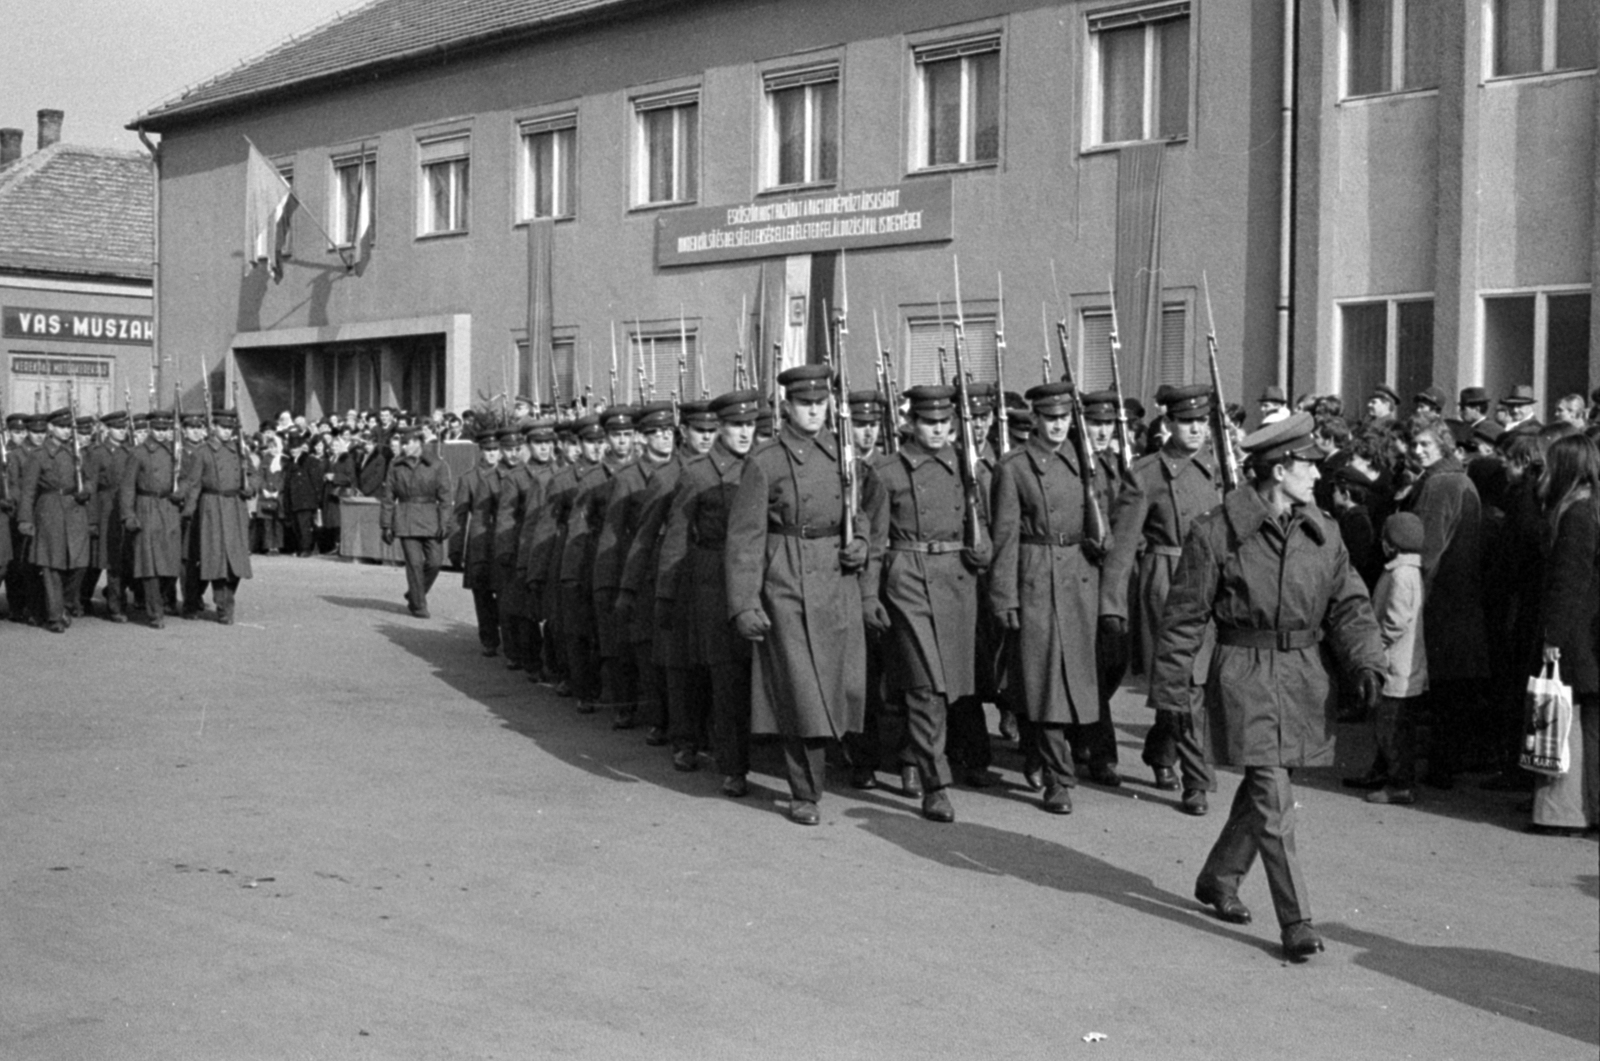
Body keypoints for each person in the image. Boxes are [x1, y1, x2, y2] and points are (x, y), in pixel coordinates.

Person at [1150, 411, 1385, 960]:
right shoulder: (1217, 533)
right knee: (1273, 794)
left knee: (1265, 790)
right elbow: (1183, 618)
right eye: (1308, 464)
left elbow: (1348, 603)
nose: (1316, 475)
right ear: (1279, 470)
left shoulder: (1322, 532)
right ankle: (1296, 920)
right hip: (1243, 674)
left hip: (1304, 676)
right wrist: (1169, 693)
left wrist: (1366, 662)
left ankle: (1218, 877)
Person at [724, 364, 869, 826]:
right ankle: (806, 790)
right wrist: (744, 603)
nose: (813, 411)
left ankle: (839, 763)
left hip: (836, 578)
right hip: (786, 577)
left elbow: (859, 512)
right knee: (801, 690)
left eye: (820, 403)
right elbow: (745, 538)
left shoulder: (843, 453)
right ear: (787, 406)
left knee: (844, 685)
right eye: (804, 404)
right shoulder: (766, 461)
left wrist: (861, 543)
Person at [870, 384, 991, 822]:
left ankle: (911, 756)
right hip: (908, 579)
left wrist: (983, 548)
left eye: (944, 423)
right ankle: (935, 784)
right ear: (911, 424)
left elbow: (984, 519)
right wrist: (869, 595)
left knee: (948, 688)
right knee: (925, 686)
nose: (938, 430)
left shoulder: (968, 466)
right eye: (928, 423)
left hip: (957, 580)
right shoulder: (888, 472)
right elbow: (875, 541)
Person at [1101, 383, 1220, 814]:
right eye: (1186, 422)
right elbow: (1123, 545)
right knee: (1182, 682)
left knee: (1198, 680)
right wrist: (1112, 604)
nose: (1195, 429)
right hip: (1165, 583)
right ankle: (1198, 782)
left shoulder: (1219, 467)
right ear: (1167, 424)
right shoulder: (1147, 473)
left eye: (1201, 422)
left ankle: (1161, 748)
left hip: (1211, 584)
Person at [988, 382, 1106, 815]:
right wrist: (1004, 597)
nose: (1058, 426)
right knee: (1044, 679)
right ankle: (1059, 778)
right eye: (1050, 418)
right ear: (1034, 419)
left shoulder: (1083, 461)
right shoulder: (1014, 467)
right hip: (1035, 574)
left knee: (1074, 677)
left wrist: (1100, 541)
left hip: (1078, 576)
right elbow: (1004, 537)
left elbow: (1100, 514)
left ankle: (1041, 752)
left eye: (1064, 418)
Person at [657, 389, 760, 795]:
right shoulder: (698, 473)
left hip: (754, 578)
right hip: (710, 582)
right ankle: (728, 764)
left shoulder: (761, 466)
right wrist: (666, 594)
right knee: (721, 674)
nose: (745, 432)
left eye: (750, 425)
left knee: (743, 673)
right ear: (719, 428)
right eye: (736, 425)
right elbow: (677, 540)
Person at [1402, 417, 1488, 786]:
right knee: (1452, 690)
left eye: (1425, 445)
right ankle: (1446, 763)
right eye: (1414, 444)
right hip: (1461, 599)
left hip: (1440, 599)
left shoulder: (1440, 483)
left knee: (1438, 687)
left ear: (1443, 446)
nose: (1417, 451)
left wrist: (1412, 597)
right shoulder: (1460, 480)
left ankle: (1439, 768)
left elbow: (1428, 546)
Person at [1528, 434, 1600, 835]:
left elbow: (1567, 582)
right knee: (1587, 727)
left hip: (1572, 635)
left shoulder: (1573, 513)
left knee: (1562, 725)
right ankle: (1587, 809)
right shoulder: (1593, 507)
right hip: (1589, 635)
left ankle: (1561, 812)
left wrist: (1552, 637)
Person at [1344, 512, 1428, 804]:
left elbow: (1396, 620)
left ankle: (1400, 784)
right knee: (1388, 725)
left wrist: (1374, 646)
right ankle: (1381, 771)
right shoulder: (1404, 571)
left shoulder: (1402, 575)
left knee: (1392, 730)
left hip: (1397, 666)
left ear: (1391, 544)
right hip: (1401, 665)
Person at [16, 408, 95, 632]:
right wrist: (25, 519)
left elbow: (91, 479)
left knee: (79, 565)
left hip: (75, 509)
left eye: (69, 427)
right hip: (50, 512)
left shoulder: (78, 452)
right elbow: (28, 491)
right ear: (51, 428)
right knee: (52, 567)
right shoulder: (39, 455)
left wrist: (86, 490)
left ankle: (65, 605)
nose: (66, 431)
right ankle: (54, 616)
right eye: (61, 426)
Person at [119, 409, 185, 628]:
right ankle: (154, 612)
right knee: (150, 564)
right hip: (146, 507)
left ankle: (164, 599)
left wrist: (181, 492)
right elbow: (127, 487)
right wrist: (128, 514)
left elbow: (186, 478)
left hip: (169, 507)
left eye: (166, 429)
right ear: (150, 429)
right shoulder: (138, 453)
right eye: (158, 429)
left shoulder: (175, 451)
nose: (162, 433)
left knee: (169, 561)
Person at [380, 426, 455, 619]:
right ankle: (419, 605)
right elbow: (388, 497)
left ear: (419, 443)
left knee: (435, 562)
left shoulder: (438, 465)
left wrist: (445, 523)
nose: (404, 447)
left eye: (408, 443)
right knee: (414, 564)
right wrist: (386, 525)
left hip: (431, 518)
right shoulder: (396, 466)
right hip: (406, 518)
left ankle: (414, 592)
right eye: (402, 443)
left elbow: (446, 498)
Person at [449, 428, 503, 655]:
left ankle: (508, 636)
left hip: (503, 541)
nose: (491, 454)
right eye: (487, 450)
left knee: (505, 593)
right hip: (479, 544)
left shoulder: (508, 476)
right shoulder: (469, 479)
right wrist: (455, 548)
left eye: (495, 450)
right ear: (480, 451)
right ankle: (489, 639)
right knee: (482, 594)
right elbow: (459, 517)